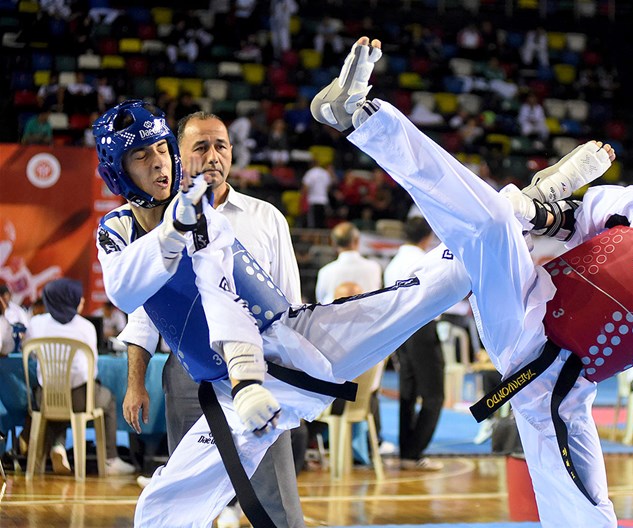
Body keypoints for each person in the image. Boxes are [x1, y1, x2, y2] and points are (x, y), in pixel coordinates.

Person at [311, 37, 633, 528]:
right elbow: (578, 219)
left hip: (554, 389)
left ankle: (536, 191)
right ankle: (361, 117)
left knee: (593, 519)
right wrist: (540, 208)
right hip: (524, 302)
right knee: (495, 224)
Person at [92, 100, 468, 527]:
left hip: (289, 342)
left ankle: (516, 217)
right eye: (142, 156)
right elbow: (124, 292)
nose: (158, 163)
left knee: (420, 296)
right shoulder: (118, 230)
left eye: (161, 150)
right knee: (160, 512)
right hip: (223, 394)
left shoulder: (209, 217)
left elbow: (222, 298)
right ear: (119, 171)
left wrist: (247, 376)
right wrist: (170, 232)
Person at [120, 110, 304, 528]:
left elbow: (290, 302)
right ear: (178, 158)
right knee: (189, 492)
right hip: (188, 372)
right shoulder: (158, 222)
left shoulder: (266, 217)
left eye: (221, 145)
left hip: (261, 369)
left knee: (275, 491)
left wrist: (296, 376)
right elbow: (145, 313)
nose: (213, 156)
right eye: (200, 146)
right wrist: (135, 381)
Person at [25, 279, 135, 476]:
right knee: (108, 399)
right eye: (78, 296)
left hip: (45, 399)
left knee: (56, 397)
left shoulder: (35, 323)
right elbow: (92, 369)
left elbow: (31, 355)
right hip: (80, 399)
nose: (82, 299)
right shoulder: (85, 327)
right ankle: (110, 459)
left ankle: (57, 446)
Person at [384, 216, 445, 470]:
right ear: (427, 236)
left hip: (399, 329)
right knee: (434, 395)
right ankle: (414, 451)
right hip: (420, 327)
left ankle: (407, 451)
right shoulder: (423, 260)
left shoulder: (393, 263)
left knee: (408, 393)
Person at [315, 222, 382, 304]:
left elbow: (321, 302)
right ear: (357, 241)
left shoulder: (325, 272)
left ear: (334, 244)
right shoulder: (374, 268)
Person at [301, 158, 333, 228]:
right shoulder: (325, 173)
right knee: (321, 223)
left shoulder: (310, 173)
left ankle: (314, 238)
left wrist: (302, 198)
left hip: (313, 201)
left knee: (313, 225)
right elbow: (328, 188)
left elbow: (305, 187)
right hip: (324, 201)